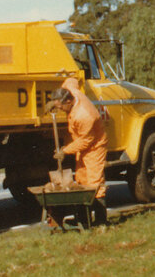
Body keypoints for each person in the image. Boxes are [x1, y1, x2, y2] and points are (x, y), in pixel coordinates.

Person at [46, 77, 109, 223]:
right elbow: (71, 80)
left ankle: (101, 221)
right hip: (82, 145)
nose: (60, 110)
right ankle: (83, 219)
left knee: (94, 183)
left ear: (68, 102)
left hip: (95, 147)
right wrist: (53, 102)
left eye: (61, 107)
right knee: (80, 180)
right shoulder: (71, 91)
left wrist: (65, 151)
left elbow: (86, 141)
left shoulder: (85, 115)